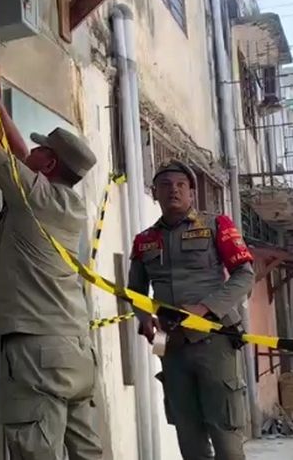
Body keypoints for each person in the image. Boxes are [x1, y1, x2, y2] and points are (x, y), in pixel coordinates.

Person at [0, 62, 102, 460]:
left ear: (50, 165)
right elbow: (21, 150)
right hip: (74, 353)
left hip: (38, 354)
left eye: (43, 150)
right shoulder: (65, 203)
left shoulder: (35, 197)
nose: (32, 150)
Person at [128, 160, 254, 460]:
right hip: (170, 344)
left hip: (215, 340)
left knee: (225, 435)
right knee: (187, 433)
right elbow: (135, 291)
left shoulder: (216, 225)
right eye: (165, 185)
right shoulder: (144, 240)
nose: (173, 190)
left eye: (180, 185)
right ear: (155, 192)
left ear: (191, 193)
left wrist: (205, 308)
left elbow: (245, 275)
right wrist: (144, 318)